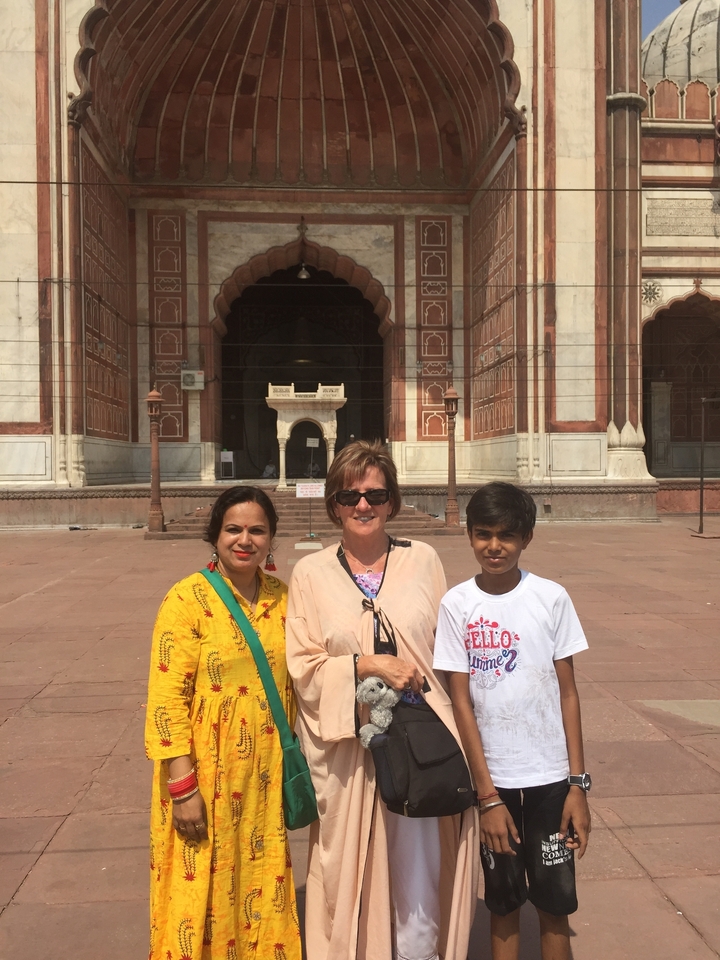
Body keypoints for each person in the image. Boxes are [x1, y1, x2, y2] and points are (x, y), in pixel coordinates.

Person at [285, 440, 478, 960]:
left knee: (417, 869)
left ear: (392, 501)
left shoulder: (423, 560)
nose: (363, 506)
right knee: (348, 869)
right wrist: (366, 665)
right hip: (350, 749)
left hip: (418, 742)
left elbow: (446, 651)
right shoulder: (311, 573)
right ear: (334, 505)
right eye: (349, 497)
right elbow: (303, 665)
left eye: (374, 494)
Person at [433, 482, 591, 960]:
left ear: (527, 538)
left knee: (554, 904)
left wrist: (578, 785)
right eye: (484, 534)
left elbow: (568, 693)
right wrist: (486, 797)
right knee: (502, 902)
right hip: (495, 782)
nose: (494, 546)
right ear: (469, 535)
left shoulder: (551, 597)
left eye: (506, 535)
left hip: (551, 781)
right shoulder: (458, 604)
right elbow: (461, 702)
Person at [145, 486, 300, 960]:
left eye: (257, 531)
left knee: (261, 879)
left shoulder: (283, 598)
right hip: (204, 775)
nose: (245, 540)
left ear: (271, 539)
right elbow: (167, 700)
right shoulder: (186, 599)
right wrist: (182, 788)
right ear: (215, 536)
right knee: (200, 884)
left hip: (264, 776)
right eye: (233, 529)